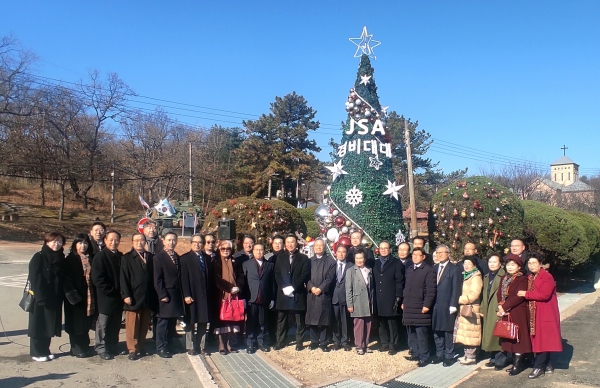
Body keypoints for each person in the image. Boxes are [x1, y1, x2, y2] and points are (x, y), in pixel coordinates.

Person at [517, 252, 562, 379]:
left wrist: (526, 294)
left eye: (534, 263)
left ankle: (538, 367)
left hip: (545, 313)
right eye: (529, 263)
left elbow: (544, 295)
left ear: (540, 264)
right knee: (540, 339)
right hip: (535, 313)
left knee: (542, 340)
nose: (531, 266)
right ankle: (547, 365)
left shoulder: (547, 277)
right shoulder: (531, 277)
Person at [28, 232, 66, 362]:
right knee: (38, 325)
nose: (57, 244)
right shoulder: (39, 257)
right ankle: (36, 352)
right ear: (47, 242)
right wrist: (40, 297)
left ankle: (45, 350)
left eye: (60, 242)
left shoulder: (61, 258)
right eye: (54, 241)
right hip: (41, 298)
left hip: (54, 298)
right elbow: (35, 278)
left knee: (49, 325)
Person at [120, 232, 158, 360]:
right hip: (133, 296)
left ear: (145, 242)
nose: (139, 242)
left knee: (144, 323)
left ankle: (141, 346)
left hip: (147, 296)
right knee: (132, 324)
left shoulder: (151, 257)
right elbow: (123, 278)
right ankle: (132, 349)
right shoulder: (127, 258)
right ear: (132, 242)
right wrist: (126, 295)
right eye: (136, 240)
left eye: (142, 240)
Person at [497, 254, 532, 376]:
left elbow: (518, 296)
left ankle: (518, 364)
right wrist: (500, 307)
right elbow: (499, 294)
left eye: (513, 265)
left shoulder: (522, 279)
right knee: (509, 337)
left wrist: (504, 307)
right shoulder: (504, 278)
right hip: (506, 311)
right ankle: (514, 362)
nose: (510, 267)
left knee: (518, 338)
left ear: (519, 266)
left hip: (518, 312)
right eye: (508, 264)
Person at [273, 234, 310, 351]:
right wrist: (284, 287)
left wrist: (293, 287)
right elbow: (277, 274)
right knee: (281, 318)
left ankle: (299, 342)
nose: (290, 244)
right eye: (288, 242)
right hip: (283, 292)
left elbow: (305, 274)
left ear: (296, 243)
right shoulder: (280, 257)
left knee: (299, 319)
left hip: (297, 292)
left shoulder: (303, 258)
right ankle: (280, 341)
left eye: (292, 242)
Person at [92, 229, 124, 360]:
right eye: (111, 239)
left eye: (116, 240)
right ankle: (101, 347)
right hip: (106, 296)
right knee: (103, 324)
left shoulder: (120, 256)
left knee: (115, 323)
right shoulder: (100, 257)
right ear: (105, 241)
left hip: (118, 297)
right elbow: (98, 279)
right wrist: (111, 290)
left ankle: (112, 345)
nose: (113, 242)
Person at [402, 248, 436, 367]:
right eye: (413, 255)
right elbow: (406, 287)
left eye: (418, 255)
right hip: (409, 306)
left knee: (421, 334)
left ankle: (424, 356)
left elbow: (431, 290)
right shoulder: (410, 269)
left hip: (420, 306)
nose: (415, 257)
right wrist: (404, 301)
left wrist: (427, 305)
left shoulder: (428, 270)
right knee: (411, 332)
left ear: (423, 256)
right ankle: (415, 352)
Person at [153, 231, 185, 358]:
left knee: (172, 322)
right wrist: (162, 295)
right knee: (163, 322)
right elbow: (157, 279)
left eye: (174, 240)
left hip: (176, 294)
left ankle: (169, 344)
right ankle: (161, 347)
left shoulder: (177, 256)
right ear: (163, 241)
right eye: (169, 240)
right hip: (165, 294)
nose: (171, 242)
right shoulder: (158, 257)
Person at [63, 234, 95, 358]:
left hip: (89, 294)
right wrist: (73, 295)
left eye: (85, 243)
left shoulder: (91, 257)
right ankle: (76, 348)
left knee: (85, 321)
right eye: (80, 243)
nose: (83, 245)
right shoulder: (70, 259)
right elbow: (66, 279)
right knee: (75, 323)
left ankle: (85, 346)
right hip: (74, 296)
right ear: (75, 244)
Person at [211, 239, 245, 355]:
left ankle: (229, 343)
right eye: (223, 248)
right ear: (219, 249)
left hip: (235, 295)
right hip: (220, 295)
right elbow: (217, 279)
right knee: (221, 320)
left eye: (228, 249)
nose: (225, 251)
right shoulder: (215, 261)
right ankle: (221, 343)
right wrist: (230, 287)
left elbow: (240, 276)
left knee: (232, 319)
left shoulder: (236, 261)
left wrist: (238, 287)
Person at [180, 234, 211, 356]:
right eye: (194, 242)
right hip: (192, 294)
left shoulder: (207, 258)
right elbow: (183, 278)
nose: (197, 244)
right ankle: (191, 346)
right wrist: (186, 294)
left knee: (203, 321)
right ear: (191, 243)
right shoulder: (185, 258)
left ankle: (201, 346)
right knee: (190, 321)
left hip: (204, 295)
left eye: (199, 242)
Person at [431, 244, 461, 367]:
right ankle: (439, 354)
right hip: (435, 304)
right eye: (437, 253)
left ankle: (449, 355)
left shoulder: (454, 269)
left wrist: (453, 304)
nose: (439, 255)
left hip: (448, 304)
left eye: (442, 253)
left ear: (448, 254)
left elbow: (456, 287)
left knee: (448, 331)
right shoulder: (434, 268)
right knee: (436, 330)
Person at [242, 243, 275, 353]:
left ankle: (261, 341)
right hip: (251, 298)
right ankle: (250, 343)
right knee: (251, 321)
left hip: (264, 298)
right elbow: (244, 283)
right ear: (253, 251)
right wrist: (244, 298)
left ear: (264, 251)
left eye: (261, 250)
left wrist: (272, 298)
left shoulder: (269, 265)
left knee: (262, 322)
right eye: (257, 250)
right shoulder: (246, 264)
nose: (259, 252)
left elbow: (272, 284)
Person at [373, 241, 404, 355]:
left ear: (390, 249)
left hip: (391, 297)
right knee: (381, 322)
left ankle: (393, 344)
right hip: (379, 297)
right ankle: (384, 343)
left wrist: (398, 296)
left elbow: (399, 281)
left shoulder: (396, 263)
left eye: (386, 248)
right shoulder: (375, 263)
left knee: (392, 323)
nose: (383, 250)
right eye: (381, 248)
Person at [305, 238, 336, 352]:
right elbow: (306, 276)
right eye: (317, 245)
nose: (318, 247)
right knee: (312, 318)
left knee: (324, 319)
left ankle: (323, 342)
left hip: (324, 294)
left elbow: (330, 278)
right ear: (314, 247)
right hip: (311, 293)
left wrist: (321, 288)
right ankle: (314, 341)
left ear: (324, 247)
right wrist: (311, 287)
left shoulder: (331, 262)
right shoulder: (308, 261)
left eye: (321, 245)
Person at [480, 253, 508, 370]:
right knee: (490, 334)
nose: (492, 264)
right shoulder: (487, 276)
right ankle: (492, 358)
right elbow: (484, 294)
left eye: (494, 262)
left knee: (498, 335)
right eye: (490, 262)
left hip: (498, 309)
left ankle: (500, 361)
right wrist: (482, 308)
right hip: (488, 309)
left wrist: (502, 308)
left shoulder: (504, 276)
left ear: (500, 263)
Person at [345, 249, 375, 355]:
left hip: (368, 301)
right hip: (357, 300)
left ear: (365, 259)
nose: (359, 260)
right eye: (357, 258)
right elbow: (348, 289)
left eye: (361, 258)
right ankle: (359, 346)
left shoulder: (369, 269)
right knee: (359, 324)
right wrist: (350, 304)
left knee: (368, 324)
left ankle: (365, 344)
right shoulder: (351, 271)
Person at [455, 256, 483, 365]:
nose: (466, 265)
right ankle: (467, 355)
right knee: (466, 333)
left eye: (469, 263)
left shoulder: (476, 277)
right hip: (465, 307)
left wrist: (459, 300)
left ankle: (471, 356)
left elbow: (474, 294)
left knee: (471, 333)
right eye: (465, 263)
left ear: (474, 265)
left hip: (471, 307)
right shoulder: (466, 275)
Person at [330, 244, 354, 351]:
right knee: (335, 320)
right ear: (335, 253)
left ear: (347, 253)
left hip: (346, 298)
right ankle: (336, 341)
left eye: (343, 252)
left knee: (345, 320)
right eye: (339, 251)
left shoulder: (351, 266)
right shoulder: (332, 265)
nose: (341, 254)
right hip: (334, 297)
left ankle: (345, 341)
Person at [264, 234, 284, 344]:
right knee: (271, 316)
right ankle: (272, 337)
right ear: (272, 244)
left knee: (281, 316)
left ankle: (280, 338)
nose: (277, 245)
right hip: (271, 290)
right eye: (275, 243)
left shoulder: (286, 257)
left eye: (280, 243)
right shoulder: (268, 258)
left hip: (283, 290)